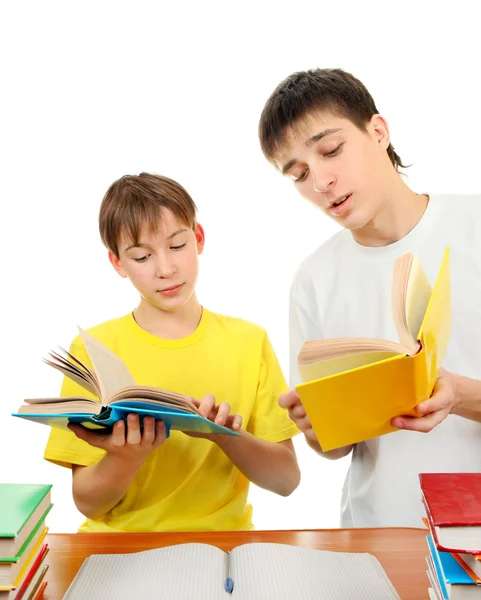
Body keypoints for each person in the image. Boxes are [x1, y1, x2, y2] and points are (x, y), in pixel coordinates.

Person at [258, 68, 481, 527]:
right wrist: (317, 428)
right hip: (376, 532)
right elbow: (335, 448)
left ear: (378, 131)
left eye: (331, 150)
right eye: (299, 174)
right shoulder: (313, 279)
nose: (320, 182)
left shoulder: (473, 226)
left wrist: (458, 395)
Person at [44, 172, 300, 532]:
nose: (166, 269)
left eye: (177, 246)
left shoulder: (249, 340)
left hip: (223, 548)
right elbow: (87, 502)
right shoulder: (94, 349)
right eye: (142, 256)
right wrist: (125, 457)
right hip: (119, 549)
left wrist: (221, 434)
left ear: (198, 238)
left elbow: (286, 481)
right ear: (118, 263)